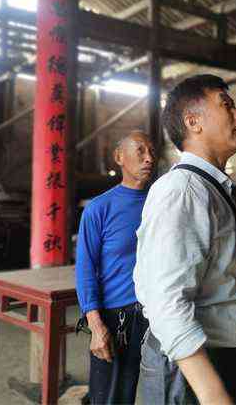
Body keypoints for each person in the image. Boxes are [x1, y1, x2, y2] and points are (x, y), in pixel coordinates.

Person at [133, 74, 236, 405]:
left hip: (219, 358)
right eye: (226, 105)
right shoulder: (183, 191)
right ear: (193, 122)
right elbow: (165, 301)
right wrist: (211, 392)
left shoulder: (207, 186)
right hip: (191, 369)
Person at [75, 130, 155, 405]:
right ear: (119, 157)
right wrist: (96, 325)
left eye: (152, 151)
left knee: (168, 393)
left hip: (160, 312)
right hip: (118, 317)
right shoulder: (99, 208)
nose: (149, 158)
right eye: (141, 150)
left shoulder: (161, 202)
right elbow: (85, 269)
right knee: (112, 398)